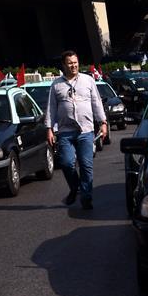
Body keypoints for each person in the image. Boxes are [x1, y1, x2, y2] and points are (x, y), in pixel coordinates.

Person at [46, 51, 107, 209]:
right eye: (70, 63)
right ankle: (75, 187)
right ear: (64, 65)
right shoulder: (56, 85)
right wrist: (49, 129)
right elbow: (51, 108)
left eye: (75, 62)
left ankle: (86, 197)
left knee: (86, 166)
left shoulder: (88, 80)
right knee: (66, 163)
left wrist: (103, 122)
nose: (73, 65)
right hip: (65, 131)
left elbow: (96, 102)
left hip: (86, 131)